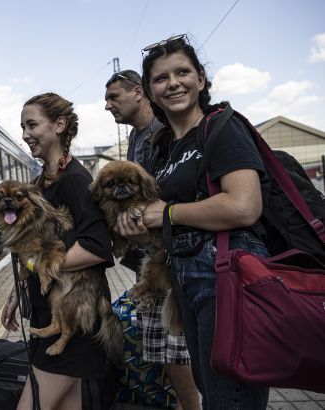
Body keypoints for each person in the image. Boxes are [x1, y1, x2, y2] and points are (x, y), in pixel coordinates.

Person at [115, 35, 270, 409]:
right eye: (161, 78)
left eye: (182, 72)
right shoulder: (165, 147)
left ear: (201, 79)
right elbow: (167, 217)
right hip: (188, 278)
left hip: (227, 275)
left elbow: (244, 206)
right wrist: (137, 228)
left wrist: (165, 212)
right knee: (210, 386)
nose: (173, 83)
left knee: (229, 396)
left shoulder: (221, 127)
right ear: (150, 92)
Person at [1, 92, 115, 410]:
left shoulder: (76, 180)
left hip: (74, 316)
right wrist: (17, 291)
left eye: (32, 125)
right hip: (48, 311)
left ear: (59, 125)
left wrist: (39, 266)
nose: (25, 134)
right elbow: (37, 247)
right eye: (22, 126)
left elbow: (98, 247)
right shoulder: (43, 183)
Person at [104, 70, 200, 410]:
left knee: (176, 348)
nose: (107, 106)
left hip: (172, 254)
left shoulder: (162, 133)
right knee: (162, 345)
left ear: (138, 93)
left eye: (114, 97)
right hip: (151, 257)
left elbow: (165, 197)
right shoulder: (137, 136)